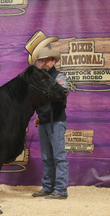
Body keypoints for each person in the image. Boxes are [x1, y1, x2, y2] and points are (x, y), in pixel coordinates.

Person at [31, 48, 69, 200]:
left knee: (59, 156)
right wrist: (40, 115)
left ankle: (61, 190)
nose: (43, 62)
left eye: (46, 60)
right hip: (44, 121)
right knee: (47, 157)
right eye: (41, 60)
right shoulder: (39, 79)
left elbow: (62, 93)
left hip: (57, 121)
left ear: (53, 61)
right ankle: (48, 187)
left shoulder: (59, 76)